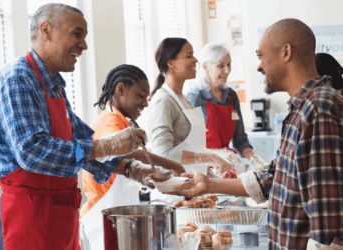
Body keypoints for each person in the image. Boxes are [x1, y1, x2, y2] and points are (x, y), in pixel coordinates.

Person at [0, 4, 162, 250]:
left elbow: (78, 141)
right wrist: (108, 144)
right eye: (76, 34)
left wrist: (132, 168)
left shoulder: (53, 84)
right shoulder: (17, 80)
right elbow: (33, 153)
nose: (84, 45)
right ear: (45, 31)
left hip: (54, 211)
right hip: (24, 212)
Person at [168, 18, 343, 249]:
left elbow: (326, 219)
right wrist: (209, 185)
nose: (258, 67)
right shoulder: (299, 108)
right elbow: (273, 176)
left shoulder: (318, 108)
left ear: (286, 52)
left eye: (260, 55)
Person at [79, 64, 186, 250]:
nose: (145, 103)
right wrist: (171, 164)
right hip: (103, 220)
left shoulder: (118, 119)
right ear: (120, 89)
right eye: (140, 96)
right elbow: (122, 150)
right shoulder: (110, 120)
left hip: (116, 216)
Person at [147, 37, 234, 179]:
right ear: (171, 63)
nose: (195, 60)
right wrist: (212, 157)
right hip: (176, 188)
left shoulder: (182, 99)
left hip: (193, 184)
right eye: (189, 56)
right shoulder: (163, 101)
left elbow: (193, 151)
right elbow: (163, 154)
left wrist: (214, 178)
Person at [186, 43, 267, 175]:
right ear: (205, 66)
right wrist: (218, 153)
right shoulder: (195, 97)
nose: (227, 70)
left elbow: (240, 139)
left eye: (229, 64)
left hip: (226, 167)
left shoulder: (231, 96)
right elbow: (190, 145)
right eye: (220, 65)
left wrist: (254, 159)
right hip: (202, 169)